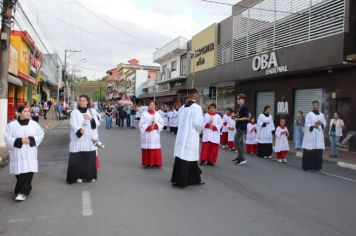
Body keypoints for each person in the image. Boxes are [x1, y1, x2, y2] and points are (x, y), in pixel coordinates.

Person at [4, 105, 44, 201]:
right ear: (19, 113)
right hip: (18, 152)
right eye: (25, 111)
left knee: (28, 171)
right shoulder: (11, 125)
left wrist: (31, 139)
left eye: (28, 111)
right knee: (19, 173)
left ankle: (21, 192)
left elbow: (41, 134)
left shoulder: (34, 124)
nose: (27, 113)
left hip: (30, 152)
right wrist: (19, 140)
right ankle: (26, 188)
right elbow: (7, 137)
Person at [171, 89, 205, 187]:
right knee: (188, 157)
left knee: (187, 157)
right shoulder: (197, 108)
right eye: (197, 94)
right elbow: (198, 124)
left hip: (182, 136)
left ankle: (193, 178)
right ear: (194, 95)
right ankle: (182, 181)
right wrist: (200, 131)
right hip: (191, 136)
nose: (198, 96)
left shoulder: (182, 108)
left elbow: (177, 121)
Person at [66, 95, 100, 184]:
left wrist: (91, 118)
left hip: (89, 139)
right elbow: (72, 123)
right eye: (80, 100)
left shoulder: (92, 111)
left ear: (87, 102)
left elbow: (97, 122)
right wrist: (79, 130)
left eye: (83, 100)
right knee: (78, 158)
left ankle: (89, 176)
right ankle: (78, 176)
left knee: (89, 158)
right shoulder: (75, 112)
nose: (81, 102)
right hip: (79, 138)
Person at [302, 101, 326, 172]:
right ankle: (307, 167)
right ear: (312, 106)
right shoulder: (309, 114)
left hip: (318, 135)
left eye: (316, 105)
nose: (315, 106)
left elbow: (324, 123)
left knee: (318, 150)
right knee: (309, 150)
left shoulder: (322, 115)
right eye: (313, 105)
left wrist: (320, 124)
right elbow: (307, 124)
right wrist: (313, 126)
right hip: (311, 135)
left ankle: (316, 167)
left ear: (318, 106)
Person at [139, 101, 164, 168]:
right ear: (148, 106)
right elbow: (141, 124)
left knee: (155, 147)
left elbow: (161, 123)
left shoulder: (157, 114)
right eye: (151, 105)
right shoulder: (144, 114)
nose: (152, 106)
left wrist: (155, 125)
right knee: (147, 147)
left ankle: (156, 163)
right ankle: (147, 163)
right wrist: (149, 127)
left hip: (155, 134)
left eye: (153, 105)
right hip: (147, 134)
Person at [233, 94, 250, 165]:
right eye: (237, 99)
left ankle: (242, 159)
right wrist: (234, 116)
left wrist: (238, 119)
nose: (237, 100)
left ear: (243, 100)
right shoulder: (239, 107)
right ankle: (239, 157)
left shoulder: (245, 107)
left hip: (242, 127)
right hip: (238, 126)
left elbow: (247, 117)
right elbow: (239, 115)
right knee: (240, 142)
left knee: (236, 141)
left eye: (239, 99)